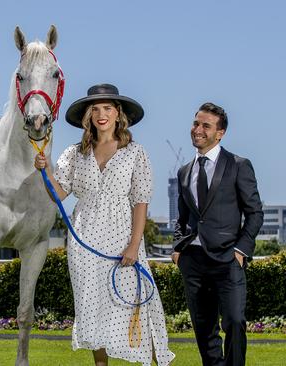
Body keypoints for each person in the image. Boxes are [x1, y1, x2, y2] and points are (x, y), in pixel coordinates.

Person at [34, 84, 175, 366]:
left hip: (122, 236)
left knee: (135, 303)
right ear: (88, 116)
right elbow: (59, 194)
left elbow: (141, 201)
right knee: (91, 306)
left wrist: (134, 245)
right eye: (95, 109)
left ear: (118, 114)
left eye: (107, 108)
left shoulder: (135, 152)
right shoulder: (75, 153)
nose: (101, 114)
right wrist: (45, 170)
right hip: (84, 240)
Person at [172, 102, 263, 366]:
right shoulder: (184, 172)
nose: (197, 130)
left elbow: (255, 213)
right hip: (194, 260)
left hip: (227, 259)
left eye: (205, 126)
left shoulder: (238, 165)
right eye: (196, 123)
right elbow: (182, 217)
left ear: (220, 133)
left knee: (235, 321)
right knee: (204, 329)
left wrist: (240, 251)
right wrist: (178, 249)